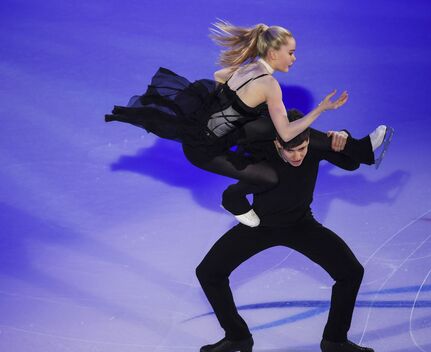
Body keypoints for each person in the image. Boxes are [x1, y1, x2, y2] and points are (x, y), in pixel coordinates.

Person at [105, 21, 355, 224]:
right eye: (291, 53)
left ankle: (357, 149)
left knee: (285, 121)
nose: (294, 58)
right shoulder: (269, 83)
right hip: (204, 151)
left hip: (221, 133)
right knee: (270, 176)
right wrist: (321, 108)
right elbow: (287, 134)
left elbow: (219, 75)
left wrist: (229, 107)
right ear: (272, 53)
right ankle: (232, 199)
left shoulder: (250, 67)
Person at [195, 109, 376, 352]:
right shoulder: (262, 154)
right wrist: (248, 216)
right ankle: (237, 336)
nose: (297, 156)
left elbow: (351, 163)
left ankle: (335, 340)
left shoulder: (314, 147)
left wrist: (343, 139)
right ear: (277, 142)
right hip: (259, 227)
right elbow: (232, 195)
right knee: (208, 272)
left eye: (302, 149)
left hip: (301, 225)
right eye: (290, 150)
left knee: (351, 272)